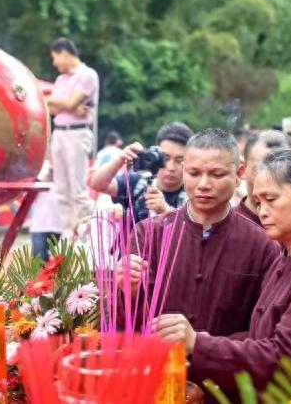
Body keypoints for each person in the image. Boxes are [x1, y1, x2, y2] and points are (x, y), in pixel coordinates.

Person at [152, 149, 291, 398]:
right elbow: (260, 336)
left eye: (271, 200)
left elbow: (287, 362)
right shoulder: (287, 256)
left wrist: (200, 345)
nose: (262, 211)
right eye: (258, 202)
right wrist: (202, 341)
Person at [119, 129, 281, 340]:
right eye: (194, 174)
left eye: (217, 174)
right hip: (156, 364)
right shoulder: (149, 233)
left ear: (239, 174)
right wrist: (125, 292)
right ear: (184, 170)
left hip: (224, 371)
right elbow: (123, 323)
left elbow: (264, 332)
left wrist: (203, 345)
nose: (204, 184)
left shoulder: (262, 245)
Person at [47, 37, 99, 238]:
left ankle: (87, 232)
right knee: (61, 187)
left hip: (78, 132)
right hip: (59, 132)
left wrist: (60, 103)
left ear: (64, 53)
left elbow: (68, 104)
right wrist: (66, 105)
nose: (55, 63)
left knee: (77, 187)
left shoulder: (87, 75)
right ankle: (67, 232)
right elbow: (54, 108)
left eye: (55, 58)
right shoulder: (61, 80)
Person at [88, 122, 193, 222]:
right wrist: (120, 159)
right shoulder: (138, 183)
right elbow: (97, 184)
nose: (171, 167)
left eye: (179, 160)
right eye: (165, 158)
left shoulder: (194, 194)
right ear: (155, 155)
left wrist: (166, 210)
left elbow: (197, 232)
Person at [237, 130, 291, 225]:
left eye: (281, 170)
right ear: (243, 170)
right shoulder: (227, 228)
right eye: (260, 169)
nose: (271, 178)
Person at [30, 161, 62, 261]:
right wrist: (45, 176)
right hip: (40, 227)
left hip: (61, 227)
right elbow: (30, 191)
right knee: (40, 266)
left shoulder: (67, 166)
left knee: (61, 269)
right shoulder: (40, 167)